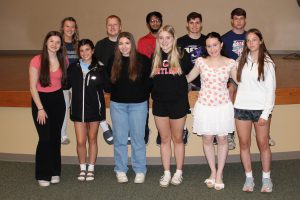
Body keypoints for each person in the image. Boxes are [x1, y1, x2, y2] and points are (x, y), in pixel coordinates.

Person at [186, 32, 236, 190]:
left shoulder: (230, 63)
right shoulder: (201, 62)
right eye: (209, 46)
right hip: (205, 106)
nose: (212, 48)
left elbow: (240, 80)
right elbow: (187, 78)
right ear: (205, 47)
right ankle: (212, 171)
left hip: (222, 107)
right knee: (207, 139)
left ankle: (220, 173)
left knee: (222, 140)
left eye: (215, 45)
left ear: (221, 45)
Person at [222, 8, 275, 149]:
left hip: (251, 76)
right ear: (232, 20)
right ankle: (230, 132)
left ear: (245, 20)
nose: (239, 21)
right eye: (236, 18)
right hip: (235, 75)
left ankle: (265, 131)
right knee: (231, 90)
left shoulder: (251, 35)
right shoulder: (225, 38)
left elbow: (263, 56)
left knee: (264, 91)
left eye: (241, 18)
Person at [234, 28, 276, 193]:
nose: (250, 43)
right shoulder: (240, 60)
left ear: (260, 41)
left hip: (260, 110)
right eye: (248, 40)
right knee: (244, 144)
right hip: (242, 109)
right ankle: (249, 178)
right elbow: (236, 79)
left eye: (254, 40)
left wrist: (265, 114)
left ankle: (266, 179)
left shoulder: (268, 63)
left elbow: (270, 90)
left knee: (263, 144)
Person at [106, 32, 151, 184]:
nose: (124, 47)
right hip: (118, 105)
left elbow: (149, 82)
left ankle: (139, 169)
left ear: (132, 44)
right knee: (120, 139)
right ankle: (120, 169)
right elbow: (107, 82)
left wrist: (139, 95)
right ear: (117, 46)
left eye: (127, 43)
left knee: (138, 139)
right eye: (120, 43)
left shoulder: (142, 60)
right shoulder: (113, 60)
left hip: (138, 105)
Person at [151, 25, 190, 187]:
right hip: (159, 104)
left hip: (178, 103)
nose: (164, 41)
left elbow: (190, 75)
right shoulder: (154, 57)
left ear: (173, 39)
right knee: (165, 139)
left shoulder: (182, 54)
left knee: (178, 138)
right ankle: (166, 172)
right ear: (158, 40)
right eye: (161, 38)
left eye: (168, 38)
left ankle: (178, 172)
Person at [29, 31, 67, 187]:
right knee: (45, 138)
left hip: (58, 101)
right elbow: (32, 87)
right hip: (41, 102)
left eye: (57, 42)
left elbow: (64, 83)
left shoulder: (63, 59)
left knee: (55, 138)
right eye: (51, 41)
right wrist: (40, 108)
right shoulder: (37, 60)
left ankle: (54, 171)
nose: (54, 44)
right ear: (46, 42)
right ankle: (42, 174)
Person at [66, 39, 105, 181]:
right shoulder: (73, 68)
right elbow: (65, 85)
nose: (84, 53)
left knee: (92, 139)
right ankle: (82, 168)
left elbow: (106, 86)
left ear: (92, 50)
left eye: (87, 50)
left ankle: (91, 168)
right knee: (81, 141)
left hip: (95, 111)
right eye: (81, 51)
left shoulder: (100, 68)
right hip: (78, 111)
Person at [177, 11, 207, 144]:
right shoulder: (180, 41)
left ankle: (210, 130)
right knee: (177, 97)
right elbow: (175, 62)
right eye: (191, 23)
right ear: (187, 24)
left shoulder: (207, 41)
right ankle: (183, 129)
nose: (194, 25)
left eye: (197, 22)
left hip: (204, 81)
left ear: (201, 24)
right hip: (186, 80)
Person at [94, 15, 122, 145]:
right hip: (105, 84)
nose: (112, 27)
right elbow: (96, 66)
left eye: (115, 24)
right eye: (109, 25)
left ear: (120, 27)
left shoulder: (125, 42)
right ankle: (104, 126)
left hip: (122, 85)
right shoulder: (100, 45)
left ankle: (126, 130)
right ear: (106, 28)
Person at [137, 11, 163, 145]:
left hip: (163, 78)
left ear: (161, 22)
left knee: (161, 103)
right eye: (152, 21)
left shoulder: (166, 38)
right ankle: (145, 129)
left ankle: (162, 131)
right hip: (148, 78)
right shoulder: (143, 41)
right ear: (148, 24)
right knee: (144, 104)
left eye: (157, 20)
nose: (155, 23)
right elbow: (140, 63)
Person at [60, 16, 80, 145]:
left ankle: (105, 128)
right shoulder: (58, 43)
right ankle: (62, 135)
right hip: (63, 82)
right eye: (67, 26)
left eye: (72, 26)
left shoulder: (78, 44)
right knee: (65, 106)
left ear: (75, 29)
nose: (70, 29)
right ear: (62, 27)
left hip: (76, 80)